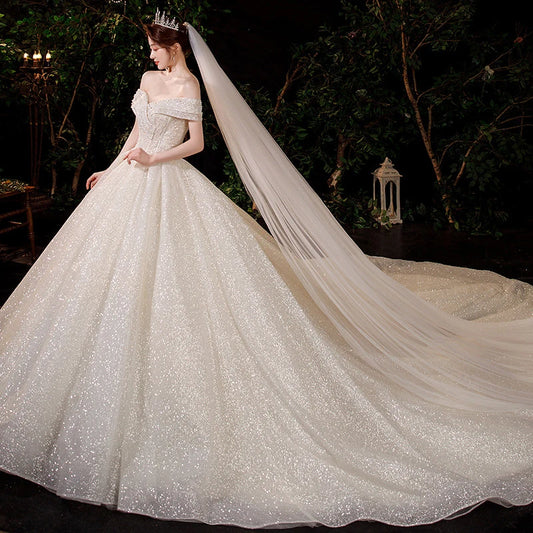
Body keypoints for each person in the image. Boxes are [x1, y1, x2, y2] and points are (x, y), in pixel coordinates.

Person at [0, 11, 532, 529]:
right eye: (150, 48)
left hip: (167, 182)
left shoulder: (187, 85)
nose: (150, 55)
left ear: (176, 47)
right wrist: (113, 166)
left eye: (156, 47)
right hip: (128, 187)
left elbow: (196, 144)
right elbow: (134, 132)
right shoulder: (148, 78)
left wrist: (152, 162)